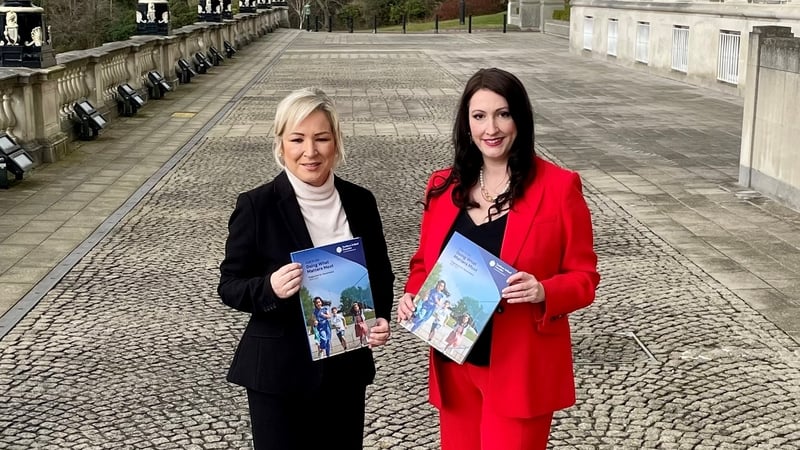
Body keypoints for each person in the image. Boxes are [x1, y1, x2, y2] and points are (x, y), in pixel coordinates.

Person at [396, 68, 600, 450]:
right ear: (466, 124)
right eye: (479, 116)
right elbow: (423, 263)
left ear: (519, 118)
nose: (491, 128)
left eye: (502, 114)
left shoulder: (558, 187)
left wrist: (543, 290)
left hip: (519, 368)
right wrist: (413, 294)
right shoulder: (443, 186)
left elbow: (584, 277)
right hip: (454, 362)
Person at [218, 87, 394, 450]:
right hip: (279, 372)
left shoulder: (360, 201)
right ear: (281, 143)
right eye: (297, 139)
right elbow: (230, 284)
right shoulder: (257, 205)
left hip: (345, 369)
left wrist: (380, 318)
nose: (310, 151)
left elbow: (380, 273)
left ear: (336, 142)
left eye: (321, 138)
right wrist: (269, 287)